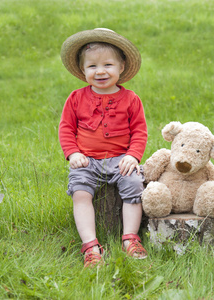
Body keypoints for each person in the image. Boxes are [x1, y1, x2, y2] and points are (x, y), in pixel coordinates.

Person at [59, 28, 148, 268]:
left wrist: (132, 156)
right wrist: (73, 153)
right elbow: (66, 129)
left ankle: (130, 238)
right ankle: (91, 246)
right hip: (87, 160)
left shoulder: (131, 99)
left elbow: (139, 131)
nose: (100, 71)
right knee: (80, 193)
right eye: (92, 66)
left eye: (108, 64)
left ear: (121, 67)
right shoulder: (76, 98)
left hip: (120, 159)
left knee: (134, 186)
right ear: (82, 70)